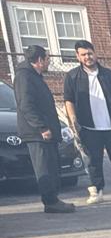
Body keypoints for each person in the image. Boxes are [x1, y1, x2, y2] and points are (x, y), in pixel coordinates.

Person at [63, 40, 111, 204]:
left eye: (90, 53)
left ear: (94, 54)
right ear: (78, 56)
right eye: (83, 54)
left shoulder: (108, 75)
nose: (87, 57)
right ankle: (97, 191)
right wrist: (74, 122)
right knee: (94, 161)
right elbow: (69, 101)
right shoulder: (72, 77)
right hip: (89, 128)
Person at [13, 45, 74, 213]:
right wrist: (42, 127)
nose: (48, 62)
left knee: (51, 165)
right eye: (47, 59)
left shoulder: (34, 76)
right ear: (39, 60)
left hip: (44, 131)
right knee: (44, 167)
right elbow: (26, 105)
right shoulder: (24, 76)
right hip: (37, 133)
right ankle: (50, 201)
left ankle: (53, 199)